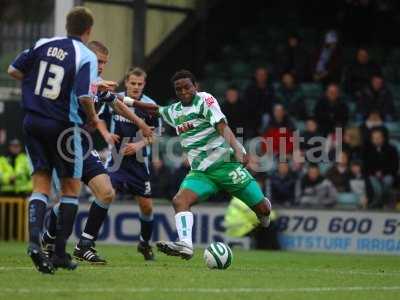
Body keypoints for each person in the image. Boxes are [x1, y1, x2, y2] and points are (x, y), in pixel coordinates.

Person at [128, 70, 272, 259]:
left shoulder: (205, 100)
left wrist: (238, 149)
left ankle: (264, 211)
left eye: (187, 87)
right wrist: (129, 102)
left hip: (226, 166)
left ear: (195, 86)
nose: (183, 91)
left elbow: (221, 126)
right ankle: (186, 245)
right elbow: (156, 109)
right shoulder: (175, 111)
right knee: (180, 200)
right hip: (201, 173)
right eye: (178, 89)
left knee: (263, 209)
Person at [41, 41, 153, 264]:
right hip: (62, 143)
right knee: (67, 199)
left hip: (82, 144)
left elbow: (116, 104)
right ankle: (49, 238)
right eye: (98, 61)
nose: (101, 66)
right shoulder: (72, 78)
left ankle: (85, 244)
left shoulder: (98, 84)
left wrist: (141, 123)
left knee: (106, 192)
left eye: (104, 62)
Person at [7, 6, 99, 273]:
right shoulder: (86, 55)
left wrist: (36, 89)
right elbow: (83, 96)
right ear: (88, 30)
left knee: (41, 184)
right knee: (71, 188)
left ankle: (34, 242)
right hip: (64, 127)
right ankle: (59, 253)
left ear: (67, 25)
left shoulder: (43, 43)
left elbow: (14, 70)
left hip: (32, 120)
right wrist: (92, 117)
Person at [106, 67, 161, 261]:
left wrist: (139, 144)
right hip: (115, 160)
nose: (136, 87)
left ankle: (144, 244)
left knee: (146, 207)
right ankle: (87, 243)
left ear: (144, 84)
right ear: (126, 83)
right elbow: (100, 119)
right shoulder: (114, 98)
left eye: (140, 84)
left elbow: (155, 135)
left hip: (139, 163)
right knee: (105, 195)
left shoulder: (150, 106)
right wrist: (107, 134)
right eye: (132, 83)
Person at [363, 128, 399, 208]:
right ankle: (378, 204)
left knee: (387, 181)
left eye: (378, 138)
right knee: (376, 187)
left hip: (388, 174)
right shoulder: (367, 150)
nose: (376, 140)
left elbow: (395, 165)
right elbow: (366, 166)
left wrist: (382, 172)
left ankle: (381, 204)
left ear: (383, 138)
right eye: (374, 138)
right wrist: (375, 173)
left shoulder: (392, 149)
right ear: (371, 139)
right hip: (372, 174)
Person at [242, 67, 274, 139]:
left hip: (268, 115)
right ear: (256, 76)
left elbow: (272, 103)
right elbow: (247, 105)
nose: (261, 77)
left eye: (263, 74)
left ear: (266, 76)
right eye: (259, 74)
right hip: (252, 116)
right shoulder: (250, 88)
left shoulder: (270, 88)